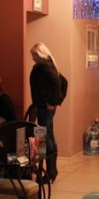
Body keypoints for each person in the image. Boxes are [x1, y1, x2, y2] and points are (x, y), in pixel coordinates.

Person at [29, 42, 64, 180]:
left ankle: (50, 172)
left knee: (45, 138)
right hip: (46, 107)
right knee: (49, 136)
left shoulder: (42, 66)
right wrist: (56, 102)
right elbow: (63, 82)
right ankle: (52, 171)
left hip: (44, 107)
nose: (33, 58)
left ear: (39, 54)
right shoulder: (51, 64)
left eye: (33, 55)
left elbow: (58, 82)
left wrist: (53, 102)